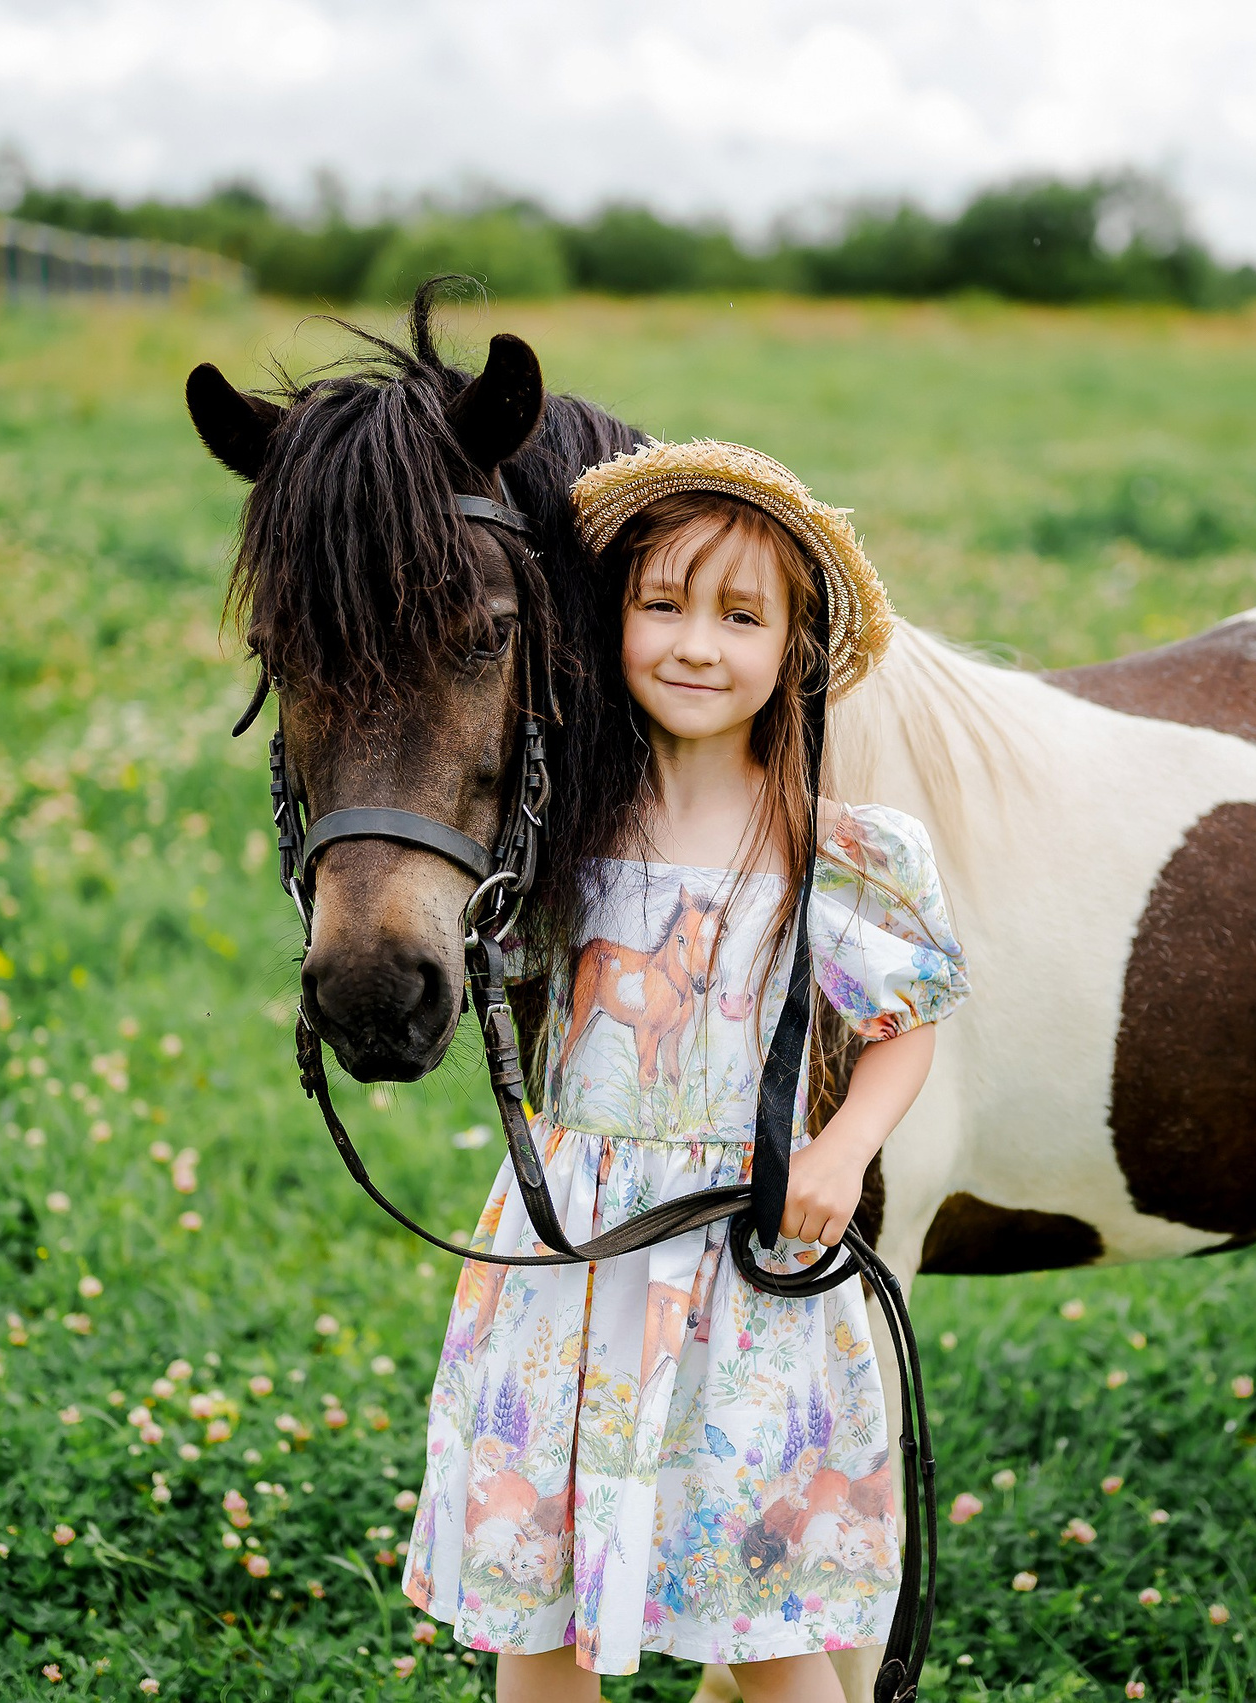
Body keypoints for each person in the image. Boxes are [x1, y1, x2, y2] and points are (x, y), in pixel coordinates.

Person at [402, 440, 971, 1703]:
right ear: (611, 622)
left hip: (749, 1250)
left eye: (739, 615)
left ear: (794, 650)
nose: (696, 644)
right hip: (572, 1255)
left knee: (763, 1606)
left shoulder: (839, 840)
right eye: (661, 604)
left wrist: (842, 1148)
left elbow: (905, 1021)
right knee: (536, 1603)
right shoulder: (560, 832)